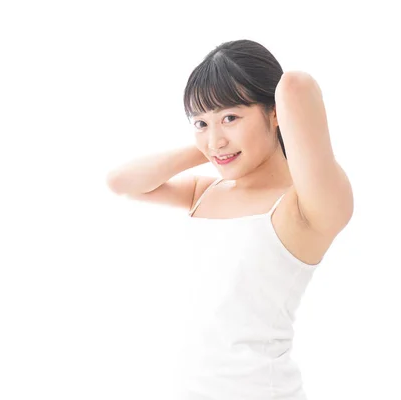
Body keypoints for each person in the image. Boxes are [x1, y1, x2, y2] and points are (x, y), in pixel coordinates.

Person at [105, 39, 353, 400]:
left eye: (231, 117)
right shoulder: (204, 193)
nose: (215, 137)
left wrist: (224, 133)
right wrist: (212, 142)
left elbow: (296, 86)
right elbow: (120, 182)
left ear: (275, 112)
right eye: (200, 122)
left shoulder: (302, 207)